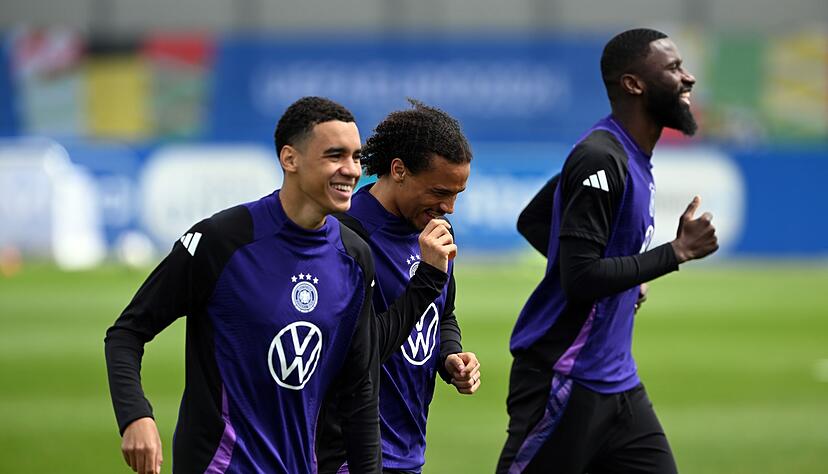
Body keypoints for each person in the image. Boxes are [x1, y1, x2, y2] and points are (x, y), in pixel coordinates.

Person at [104, 96, 381, 474]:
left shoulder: (355, 257)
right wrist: (135, 416)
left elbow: (359, 391)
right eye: (335, 155)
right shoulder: (222, 241)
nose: (351, 170)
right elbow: (127, 333)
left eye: (356, 157)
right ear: (290, 159)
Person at [497, 28, 719, 474]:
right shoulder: (600, 157)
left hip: (619, 384)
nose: (688, 77)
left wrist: (624, 281)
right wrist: (676, 252)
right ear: (634, 84)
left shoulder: (627, 153)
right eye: (674, 68)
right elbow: (580, 278)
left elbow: (534, 220)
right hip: (565, 378)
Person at [317, 100, 480, 474]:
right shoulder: (346, 235)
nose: (450, 207)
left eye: (457, 194)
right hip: (350, 455)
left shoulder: (436, 230)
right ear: (399, 170)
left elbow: (443, 314)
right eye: (440, 191)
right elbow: (356, 353)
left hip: (408, 452)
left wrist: (449, 355)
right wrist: (428, 279)